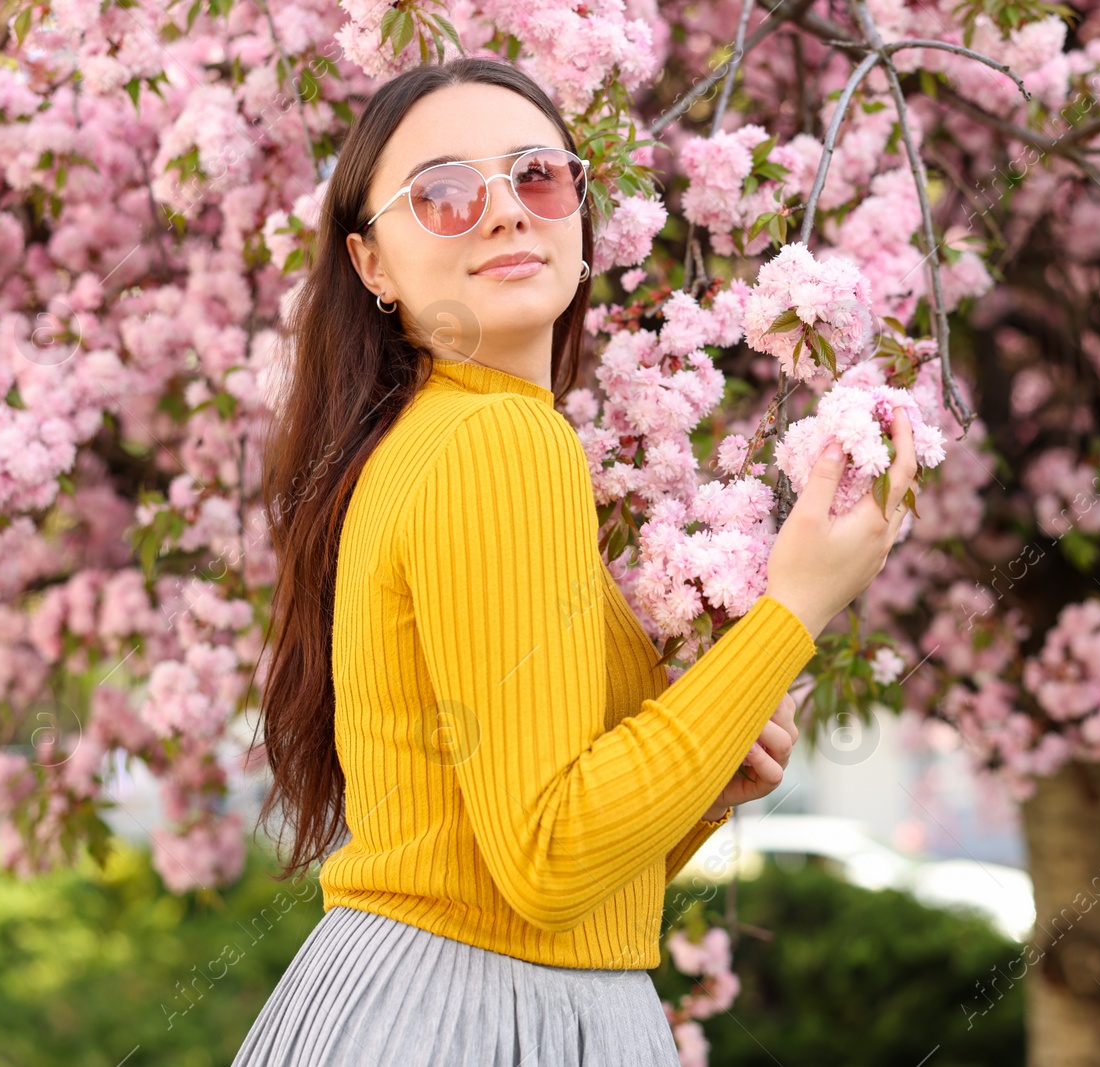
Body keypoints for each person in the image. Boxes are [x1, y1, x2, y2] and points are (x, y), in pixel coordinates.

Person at [236, 55, 918, 1066]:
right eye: (444, 196)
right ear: (370, 263)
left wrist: (696, 785)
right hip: (479, 1011)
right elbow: (547, 859)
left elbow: (522, 851)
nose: (506, 213)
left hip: (422, 998)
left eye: (538, 176)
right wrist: (795, 604)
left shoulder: (420, 438)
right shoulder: (499, 442)